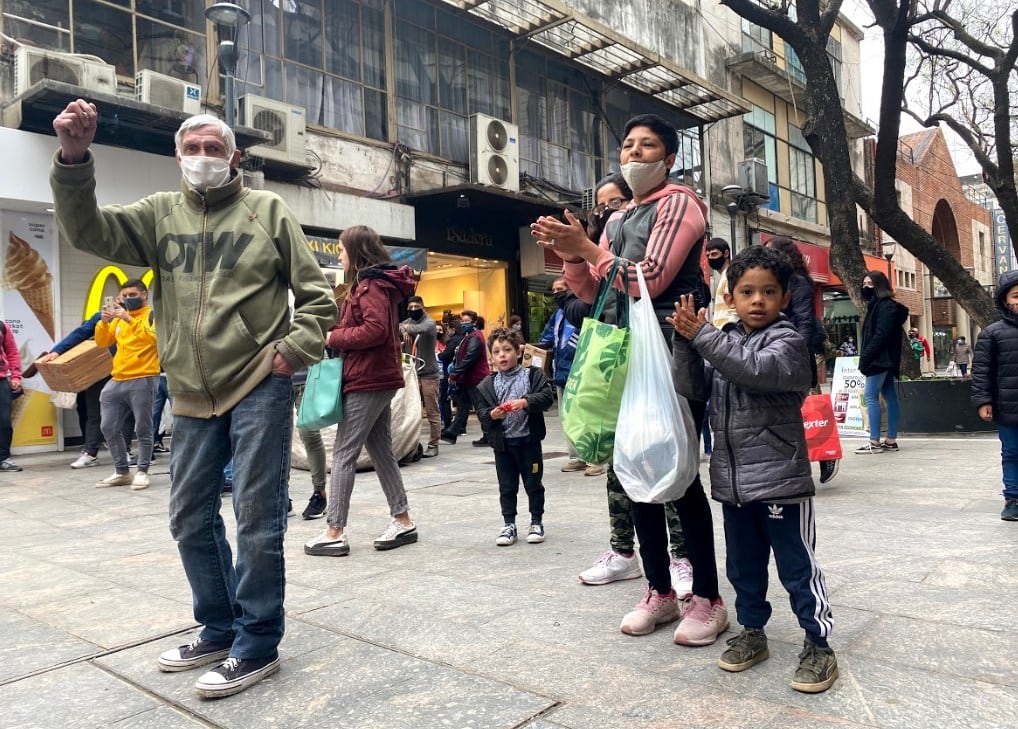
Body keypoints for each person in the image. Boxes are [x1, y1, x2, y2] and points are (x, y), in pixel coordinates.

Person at [51, 103, 337, 698]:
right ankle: (219, 624)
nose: (203, 157)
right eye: (193, 148)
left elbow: (317, 299)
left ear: (234, 157)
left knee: (257, 518)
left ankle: (257, 640)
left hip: (258, 381)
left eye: (214, 147)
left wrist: (289, 352)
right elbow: (88, 232)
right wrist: (74, 160)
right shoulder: (159, 215)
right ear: (179, 157)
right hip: (186, 392)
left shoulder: (268, 212)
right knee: (188, 517)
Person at [532, 115, 725, 645]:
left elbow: (651, 276)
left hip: (669, 352)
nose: (634, 154)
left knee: (679, 473)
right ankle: (659, 590)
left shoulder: (680, 204)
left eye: (648, 147)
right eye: (627, 145)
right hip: (625, 356)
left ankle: (707, 597)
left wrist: (589, 250)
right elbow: (598, 294)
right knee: (635, 470)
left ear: (668, 159)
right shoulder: (619, 220)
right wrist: (574, 252)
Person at [669, 245, 837, 693]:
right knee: (744, 567)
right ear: (731, 297)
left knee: (797, 567)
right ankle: (752, 632)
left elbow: (757, 372)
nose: (757, 300)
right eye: (747, 292)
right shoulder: (724, 340)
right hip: (734, 485)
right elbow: (693, 388)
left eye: (768, 291)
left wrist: (703, 336)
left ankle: (818, 643)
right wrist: (685, 343)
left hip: (781, 481)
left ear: (785, 298)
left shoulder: (788, 343)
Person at [304, 225, 419, 558]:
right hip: (376, 377)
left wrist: (333, 337)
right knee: (381, 451)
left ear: (356, 251)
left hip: (368, 379)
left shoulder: (370, 287)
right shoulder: (373, 285)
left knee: (342, 453)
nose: (339, 255)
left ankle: (334, 530)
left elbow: (375, 330)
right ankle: (403, 519)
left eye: (341, 249)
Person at [763, 236, 839, 485]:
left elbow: (805, 320)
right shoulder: (773, 281)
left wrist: (797, 351)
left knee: (808, 408)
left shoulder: (799, 282)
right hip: (774, 351)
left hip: (794, 352)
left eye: (770, 252)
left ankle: (825, 454)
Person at [472, 327, 555, 545]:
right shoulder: (487, 384)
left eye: (507, 350)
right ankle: (509, 523)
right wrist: (492, 414)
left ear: (518, 352)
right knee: (507, 486)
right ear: (491, 357)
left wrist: (526, 402)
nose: (502, 355)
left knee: (533, 483)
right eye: (497, 351)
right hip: (504, 446)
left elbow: (546, 396)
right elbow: (481, 412)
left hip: (529, 442)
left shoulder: (532, 375)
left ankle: (536, 521)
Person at [92, 279, 160, 491]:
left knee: (143, 427)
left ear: (144, 294)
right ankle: (122, 471)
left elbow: (154, 339)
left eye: (132, 295)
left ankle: (142, 471)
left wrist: (129, 318)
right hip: (118, 377)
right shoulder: (118, 319)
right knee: (108, 426)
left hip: (144, 376)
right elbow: (103, 342)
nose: (128, 299)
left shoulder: (151, 316)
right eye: (125, 295)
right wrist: (103, 322)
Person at [537, 277, 601, 477]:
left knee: (587, 416)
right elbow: (547, 339)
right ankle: (577, 456)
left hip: (583, 370)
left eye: (561, 289)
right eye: (554, 289)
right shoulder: (557, 315)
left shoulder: (582, 309)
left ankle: (595, 458)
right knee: (568, 418)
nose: (557, 293)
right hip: (562, 373)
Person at [971, 270, 1018, 521]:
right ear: (1005, 301)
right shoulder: (992, 333)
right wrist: (983, 401)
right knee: (1011, 453)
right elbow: (981, 372)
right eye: (1016, 296)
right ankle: (1013, 498)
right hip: (1007, 408)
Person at [38, 311, 109, 469]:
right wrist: (57, 351)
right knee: (93, 414)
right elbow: (80, 333)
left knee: (131, 413)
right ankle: (90, 453)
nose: (123, 300)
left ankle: (129, 451)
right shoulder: (100, 318)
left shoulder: (139, 319)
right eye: (122, 296)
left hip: (131, 372)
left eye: (130, 296)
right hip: (99, 372)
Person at [856, 270, 908, 454]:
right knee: (889, 395)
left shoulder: (883, 307)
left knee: (871, 396)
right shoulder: (882, 306)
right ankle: (890, 439)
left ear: (879, 286)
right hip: (885, 359)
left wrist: (866, 357)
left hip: (879, 359)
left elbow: (880, 335)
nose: (866, 287)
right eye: (864, 284)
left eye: (870, 284)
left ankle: (875, 442)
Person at [441, 310, 490, 445]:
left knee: (480, 407)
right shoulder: (471, 336)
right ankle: (451, 432)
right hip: (469, 378)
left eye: (466, 321)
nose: (463, 323)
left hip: (475, 378)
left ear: (474, 322)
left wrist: (455, 373)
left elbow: (469, 357)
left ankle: (489, 434)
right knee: (463, 406)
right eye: (462, 321)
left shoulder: (475, 337)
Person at [400, 295, 441, 458]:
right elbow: (397, 327)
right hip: (412, 373)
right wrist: (404, 329)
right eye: (410, 307)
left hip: (429, 373)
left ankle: (434, 443)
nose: (413, 310)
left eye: (416, 307)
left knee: (432, 410)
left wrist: (405, 328)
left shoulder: (430, 323)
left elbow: (421, 329)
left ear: (423, 307)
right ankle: (411, 444)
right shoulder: (407, 322)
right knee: (411, 410)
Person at [293, 367, 328, 519]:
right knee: (276, 438)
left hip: (307, 378)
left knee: (309, 434)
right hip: (274, 379)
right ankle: (281, 496)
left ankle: (319, 493)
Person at [0, 320, 22, 472]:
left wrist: (16, 376)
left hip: (1, 380)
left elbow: (12, 352)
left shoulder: (2, 326)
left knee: (4, 422)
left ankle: (3, 458)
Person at [435, 322, 452, 429]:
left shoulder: (447, 343)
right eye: (436, 330)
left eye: (440, 330)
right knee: (437, 400)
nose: (438, 332)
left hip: (444, 374)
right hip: (433, 374)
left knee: (444, 399)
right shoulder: (428, 343)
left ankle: (447, 422)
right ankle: (439, 421)